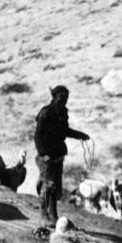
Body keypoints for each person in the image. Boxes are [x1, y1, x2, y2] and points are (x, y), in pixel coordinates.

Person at [34, 85, 89, 225]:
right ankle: (43, 215)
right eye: (62, 97)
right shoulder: (45, 113)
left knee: (55, 187)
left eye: (66, 98)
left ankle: (53, 215)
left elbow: (65, 131)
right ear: (55, 96)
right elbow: (37, 136)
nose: (64, 100)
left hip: (58, 155)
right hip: (47, 157)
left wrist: (80, 135)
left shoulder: (62, 113)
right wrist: (43, 154)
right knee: (48, 185)